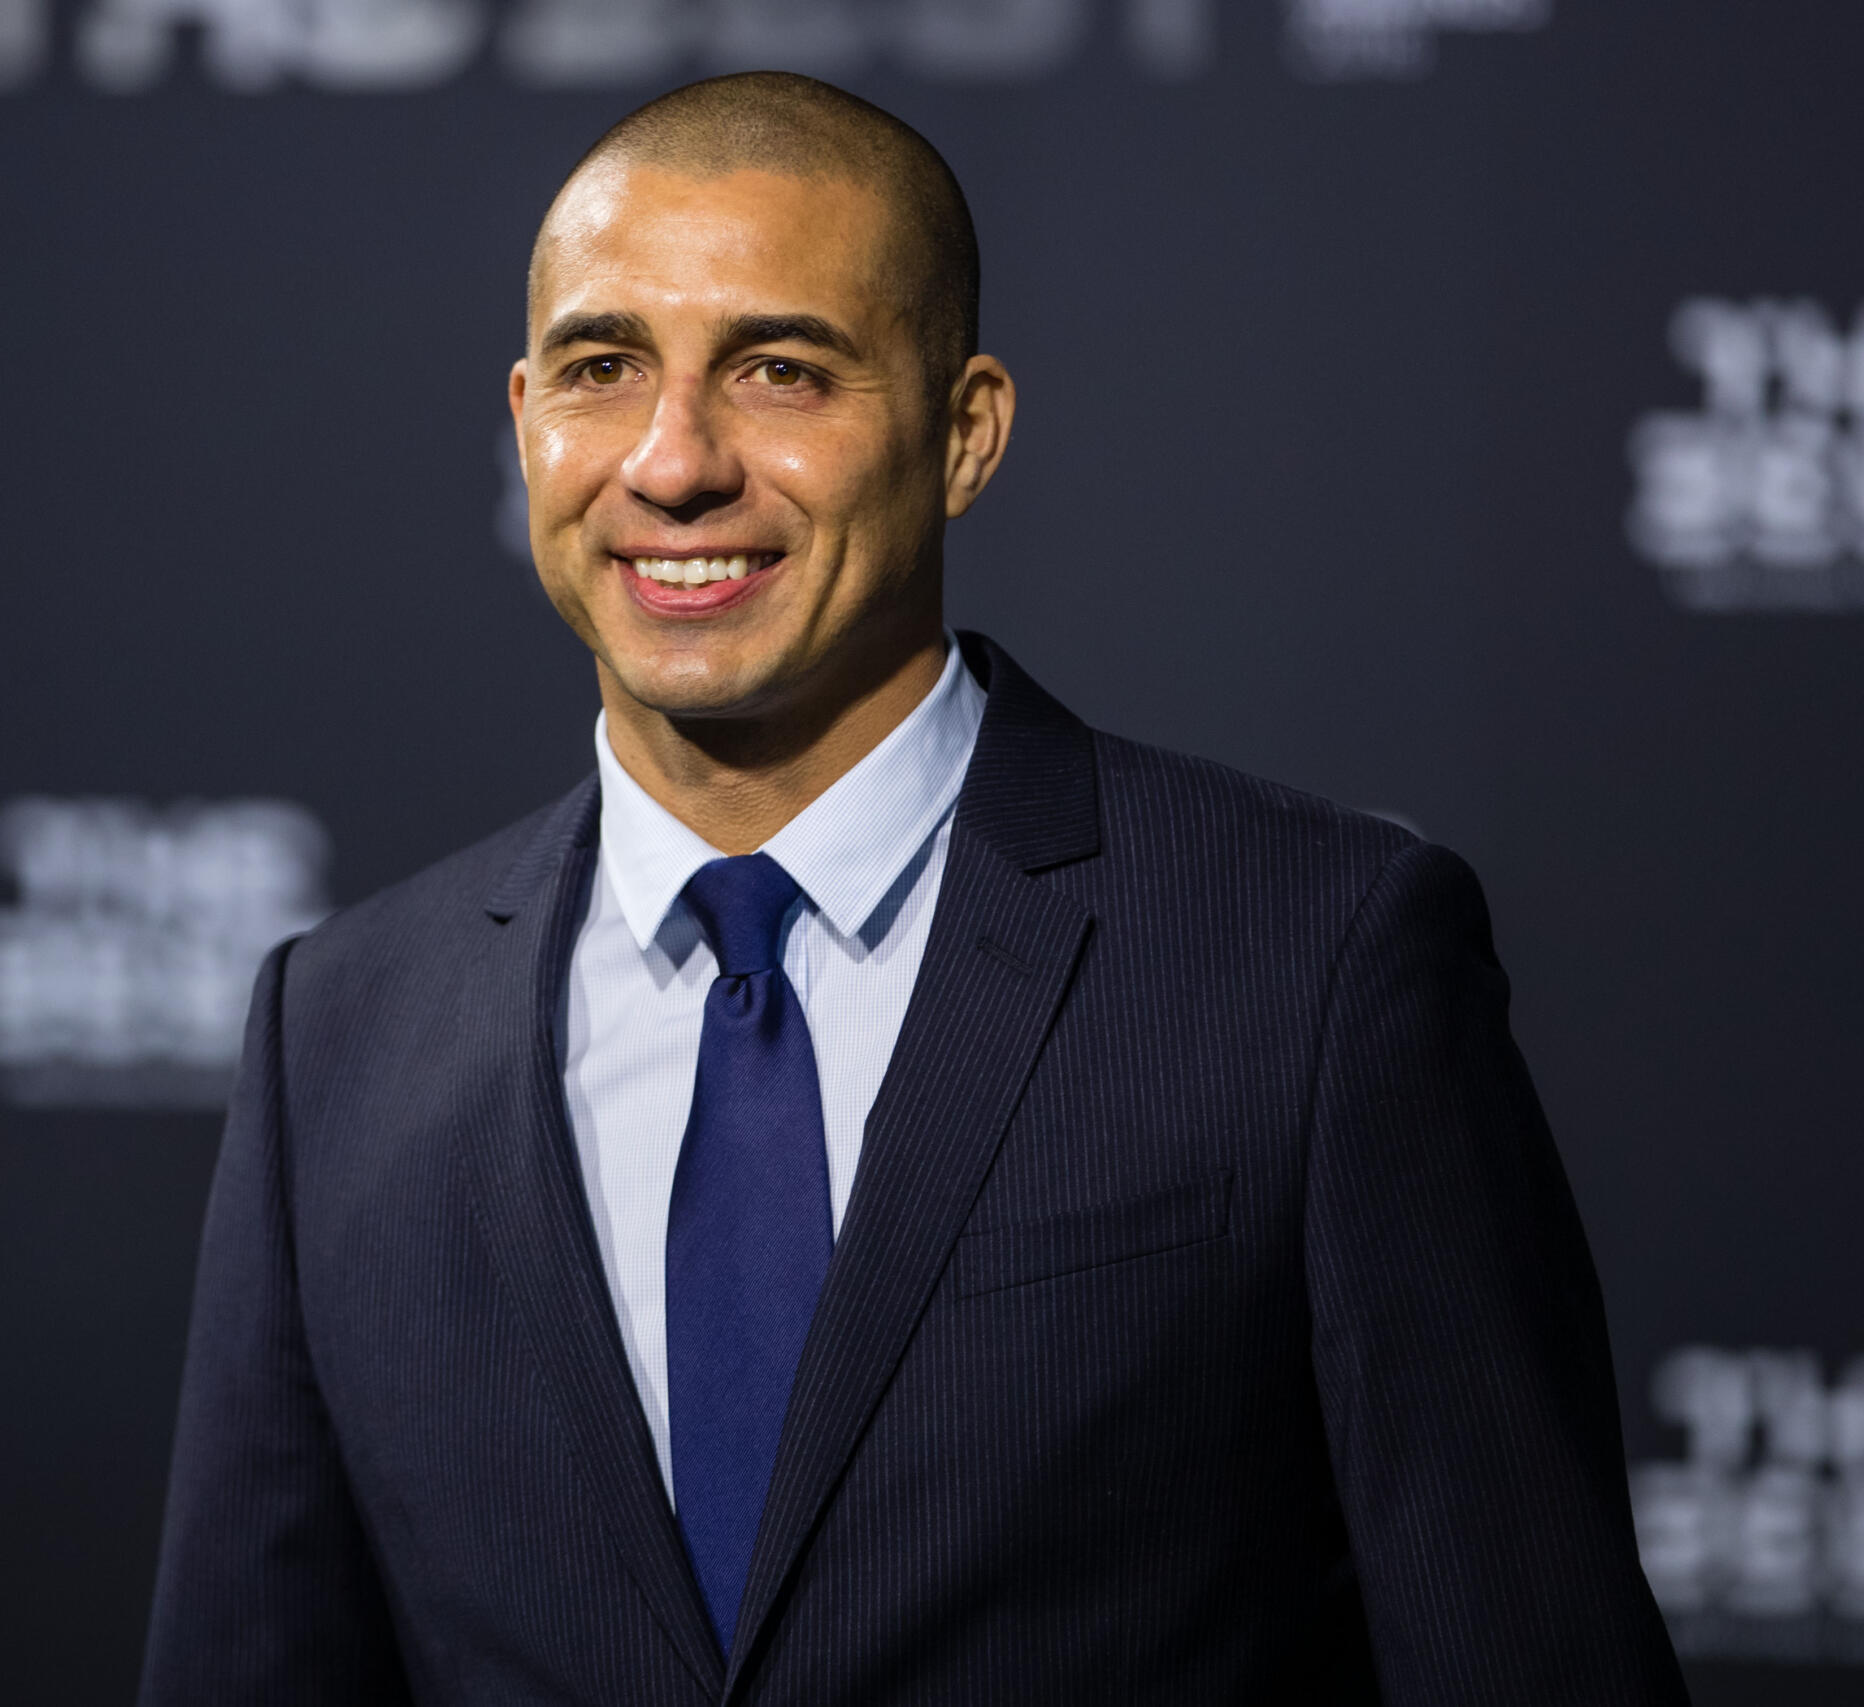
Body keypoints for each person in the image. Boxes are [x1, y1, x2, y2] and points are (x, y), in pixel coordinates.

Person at [140, 71, 1686, 1705]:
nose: (673, 462)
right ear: (527, 418)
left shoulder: (1315, 960)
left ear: (965, 433)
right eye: (603, 369)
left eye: (782, 371)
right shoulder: (337, 1034)